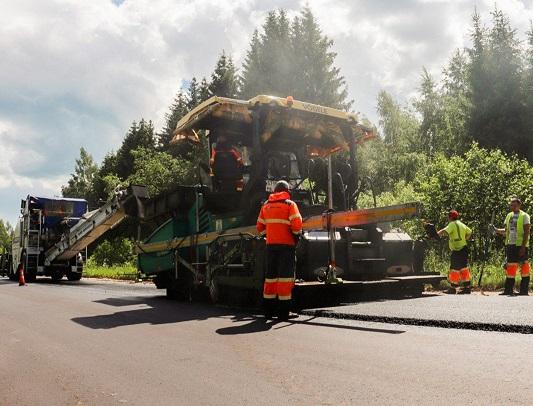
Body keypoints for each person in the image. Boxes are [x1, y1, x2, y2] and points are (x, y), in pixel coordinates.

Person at [256, 180, 303, 320]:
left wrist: (270, 234)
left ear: (274, 191)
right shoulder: (290, 205)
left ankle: (268, 311)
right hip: (286, 247)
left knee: (270, 279)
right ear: (287, 191)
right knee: (285, 279)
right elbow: (297, 225)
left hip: (271, 246)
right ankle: (283, 313)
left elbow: (259, 227)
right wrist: (296, 237)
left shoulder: (266, 205)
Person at [493, 197, 531, 296]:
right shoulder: (509, 215)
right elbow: (506, 231)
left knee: (524, 268)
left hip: (521, 246)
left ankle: (523, 291)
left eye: (514, 205)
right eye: (511, 205)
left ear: (519, 205)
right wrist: (496, 230)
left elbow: (527, 232)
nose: (512, 207)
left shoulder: (525, 216)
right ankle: (508, 290)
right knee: (510, 267)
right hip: (511, 245)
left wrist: (523, 247)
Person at [437, 210, 473, 294]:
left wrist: (435, 234)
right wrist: (465, 238)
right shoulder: (461, 224)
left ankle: (452, 288)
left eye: (448, 217)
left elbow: (444, 231)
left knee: (454, 269)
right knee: (464, 268)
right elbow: (470, 231)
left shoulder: (452, 224)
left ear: (450, 217)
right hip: (464, 249)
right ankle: (467, 288)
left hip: (457, 250)